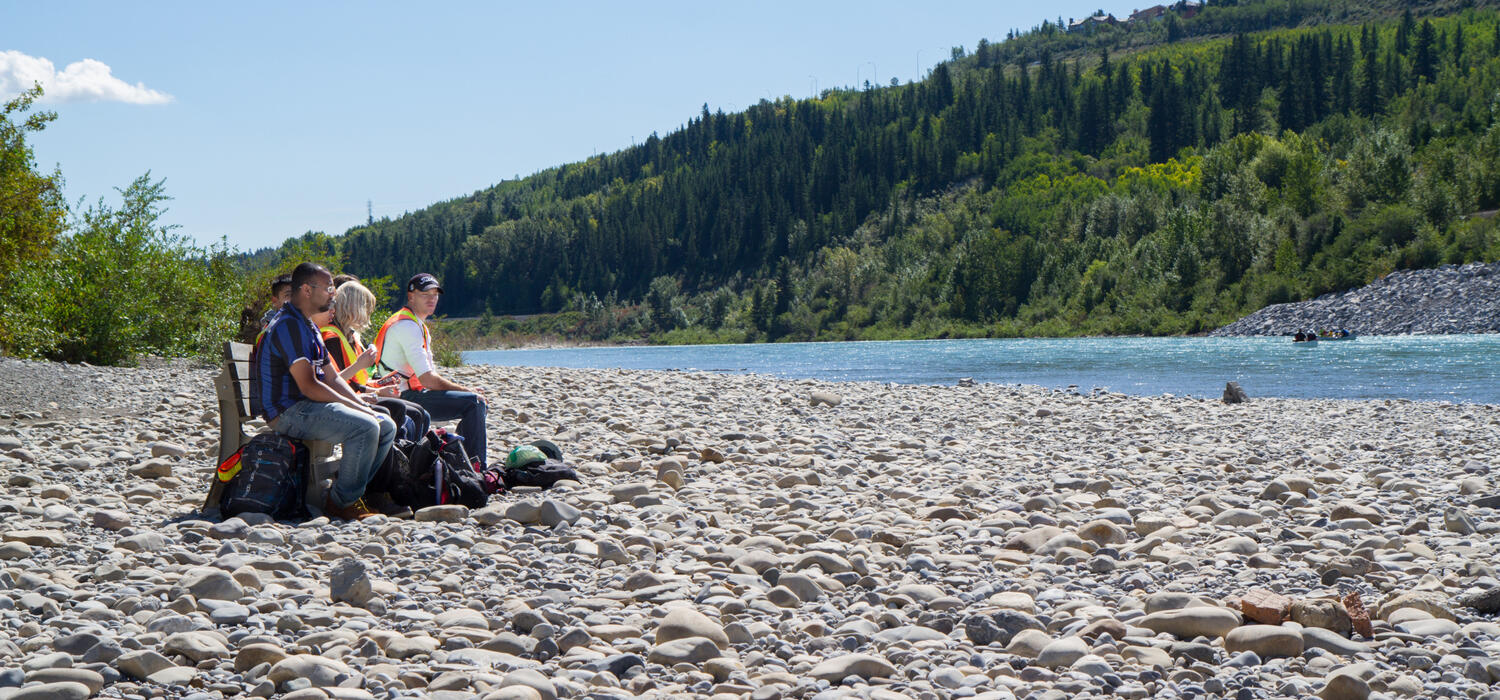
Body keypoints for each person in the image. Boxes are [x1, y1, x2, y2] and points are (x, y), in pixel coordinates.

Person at [254, 262, 396, 520]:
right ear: (307, 290)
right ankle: (341, 502)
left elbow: (332, 378)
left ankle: (347, 492)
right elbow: (310, 386)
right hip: (288, 412)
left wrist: (360, 405)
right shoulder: (288, 326)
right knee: (366, 427)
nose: (334, 294)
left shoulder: (307, 326)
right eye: (329, 288)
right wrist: (355, 408)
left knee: (385, 425)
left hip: (308, 406)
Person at [374, 273, 489, 468]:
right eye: (425, 293)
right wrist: (466, 390)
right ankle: (476, 467)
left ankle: (463, 461)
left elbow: (428, 377)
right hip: (402, 396)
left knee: (473, 402)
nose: (432, 298)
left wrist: (462, 391)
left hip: (412, 392)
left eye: (435, 294)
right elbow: (427, 379)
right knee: (474, 402)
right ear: (411, 297)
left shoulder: (416, 324)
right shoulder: (406, 326)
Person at [318, 281, 430, 441]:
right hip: (345, 399)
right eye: (365, 307)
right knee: (408, 412)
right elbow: (334, 382)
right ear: (353, 307)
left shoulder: (349, 336)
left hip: (356, 393)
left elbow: (353, 382)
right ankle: (398, 460)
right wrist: (361, 368)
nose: (368, 313)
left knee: (420, 413)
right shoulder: (331, 337)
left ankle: (410, 459)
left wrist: (379, 387)